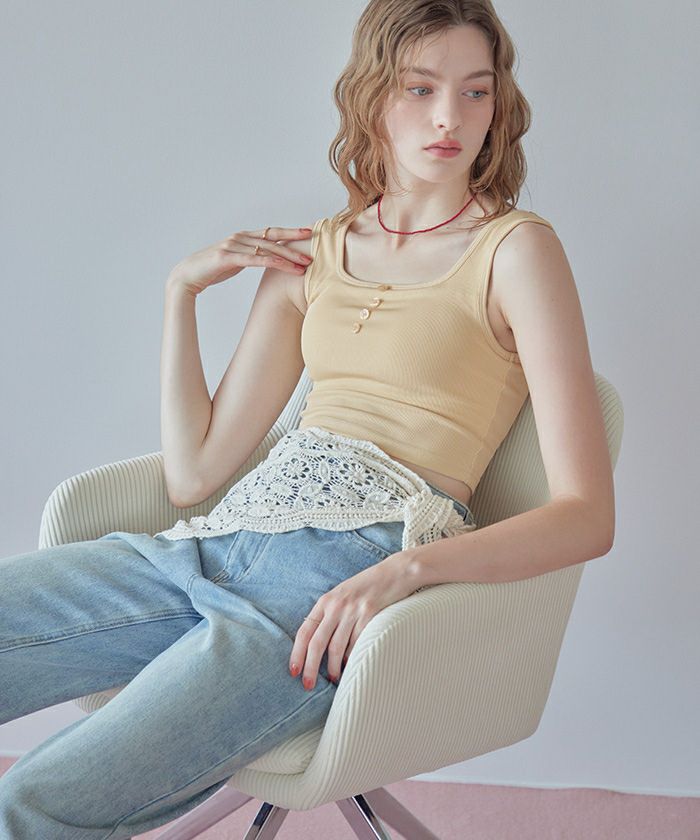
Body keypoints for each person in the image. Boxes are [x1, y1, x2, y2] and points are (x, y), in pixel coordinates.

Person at [0, 1, 615, 836]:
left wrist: (407, 572)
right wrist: (179, 293)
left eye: (475, 92)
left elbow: (586, 516)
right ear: (371, 95)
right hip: (208, 544)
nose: (450, 118)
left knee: (34, 799)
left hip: (338, 578)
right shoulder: (312, 255)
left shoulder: (516, 251)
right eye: (420, 88)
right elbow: (194, 474)